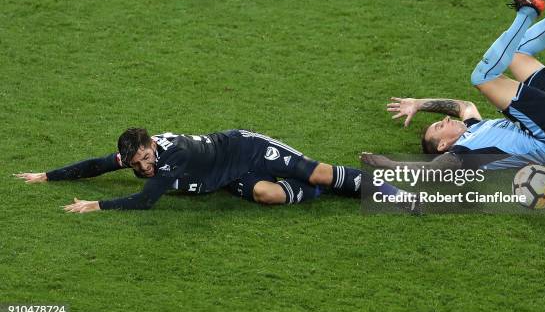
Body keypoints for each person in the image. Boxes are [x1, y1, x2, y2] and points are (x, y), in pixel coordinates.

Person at [362, 0, 545, 171]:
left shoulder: (475, 128)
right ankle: (527, 12)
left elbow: (464, 106)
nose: (445, 119)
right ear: (443, 145)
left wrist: (419, 104)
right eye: (440, 126)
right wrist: (389, 164)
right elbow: (434, 169)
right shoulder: (464, 153)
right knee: (482, 77)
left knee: (517, 53)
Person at [15, 128, 416, 213]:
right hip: (227, 176)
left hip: (249, 149)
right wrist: (47, 176)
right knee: (269, 196)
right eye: (137, 163)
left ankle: (389, 189)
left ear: (152, 145)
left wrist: (97, 206)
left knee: (318, 173)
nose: (144, 166)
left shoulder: (172, 158)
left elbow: (145, 201)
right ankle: (327, 194)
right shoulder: (137, 155)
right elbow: (97, 165)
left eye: (145, 159)